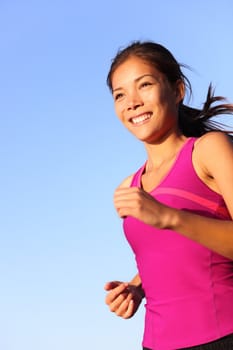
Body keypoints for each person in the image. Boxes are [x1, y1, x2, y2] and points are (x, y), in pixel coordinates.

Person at [104, 41, 233, 350]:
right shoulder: (130, 186)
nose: (132, 102)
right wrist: (137, 286)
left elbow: (176, 226)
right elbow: (175, 255)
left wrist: (168, 217)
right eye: (120, 95)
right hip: (156, 343)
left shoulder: (209, 150)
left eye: (144, 85)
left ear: (177, 91)